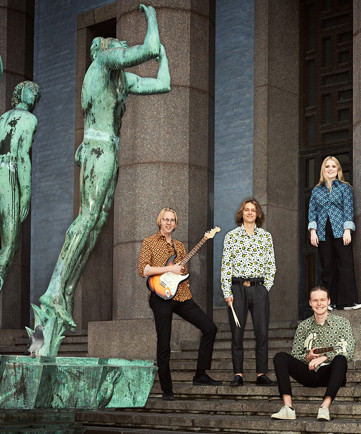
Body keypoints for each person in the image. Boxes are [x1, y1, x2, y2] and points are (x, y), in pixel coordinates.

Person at [39, 4, 171, 330]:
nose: (123, 48)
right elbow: (149, 49)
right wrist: (151, 18)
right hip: (98, 147)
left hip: (109, 149)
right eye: (118, 45)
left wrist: (163, 55)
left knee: (96, 223)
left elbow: (162, 84)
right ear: (105, 50)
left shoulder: (121, 81)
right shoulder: (101, 62)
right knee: (88, 217)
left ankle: (65, 291)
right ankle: (55, 289)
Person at [138, 208, 221, 400]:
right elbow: (143, 269)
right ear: (160, 221)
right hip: (160, 297)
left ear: (176, 224)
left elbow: (181, 271)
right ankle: (167, 390)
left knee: (210, 328)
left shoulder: (180, 246)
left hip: (182, 295)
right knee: (164, 342)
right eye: (165, 219)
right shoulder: (149, 242)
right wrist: (171, 269)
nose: (168, 223)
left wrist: (181, 272)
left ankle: (200, 374)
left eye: (172, 220)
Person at [271, 285, 355, 421]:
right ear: (310, 303)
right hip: (309, 372)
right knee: (280, 357)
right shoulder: (303, 326)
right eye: (315, 300)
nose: (319, 303)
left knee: (341, 359)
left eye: (322, 300)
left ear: (329, 301)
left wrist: (324, 357)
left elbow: (349, 351)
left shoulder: (342, 323)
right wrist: (308, 357)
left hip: (331, 373)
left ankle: (324, 408)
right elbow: (296, 354)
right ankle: (288, 408)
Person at [221, 198, 276, 387]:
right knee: (237, 333)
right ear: (241, 213)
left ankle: (261, 374)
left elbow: (271, 265)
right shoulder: (231, 236)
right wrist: (227, 291)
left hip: (259, 288)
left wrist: (265, 288)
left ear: (258, 214)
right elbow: (226, 266)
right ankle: (238, 374)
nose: (250, 213)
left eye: (253, 210)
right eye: (246, 210)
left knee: (262, 332)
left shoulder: (265, 236)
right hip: (237, 289)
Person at [0, 81, 40, 291]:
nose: (34, 94)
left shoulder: (1, 118)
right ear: (19, 92)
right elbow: (23, 156)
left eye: (36, 93)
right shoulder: (29, 118)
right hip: (9, 174)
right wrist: (26, 193)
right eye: (30, 89)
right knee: (11, 241)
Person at [308, 156, 361, 310]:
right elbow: (312, 212)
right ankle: (329, 302)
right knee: (328, 266)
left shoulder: (345, 188)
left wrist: (347, 231)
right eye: (327, 166)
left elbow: (348, 210)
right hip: (323, 231)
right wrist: (313, 232)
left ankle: (348, 301)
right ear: (323, 170)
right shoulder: (316, 191)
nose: (330, 169)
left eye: (333, 166)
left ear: (338, 169)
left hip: (340, 230)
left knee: (345, 264)